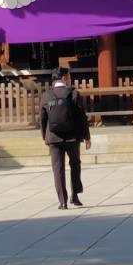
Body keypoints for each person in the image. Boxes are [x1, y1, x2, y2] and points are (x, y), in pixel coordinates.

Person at [39, 65, 91, 208]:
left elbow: (42, 119)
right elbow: (82, 117)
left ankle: (62, 201)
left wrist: (45, 136)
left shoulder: (46, 96)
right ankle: (75, 196)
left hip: (53, 137)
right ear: (64, 78)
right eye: (68, 76)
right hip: (72, 136)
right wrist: (87, 137)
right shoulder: (74, 94)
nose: (70, 79)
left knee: (58, 169)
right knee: (75, 164)